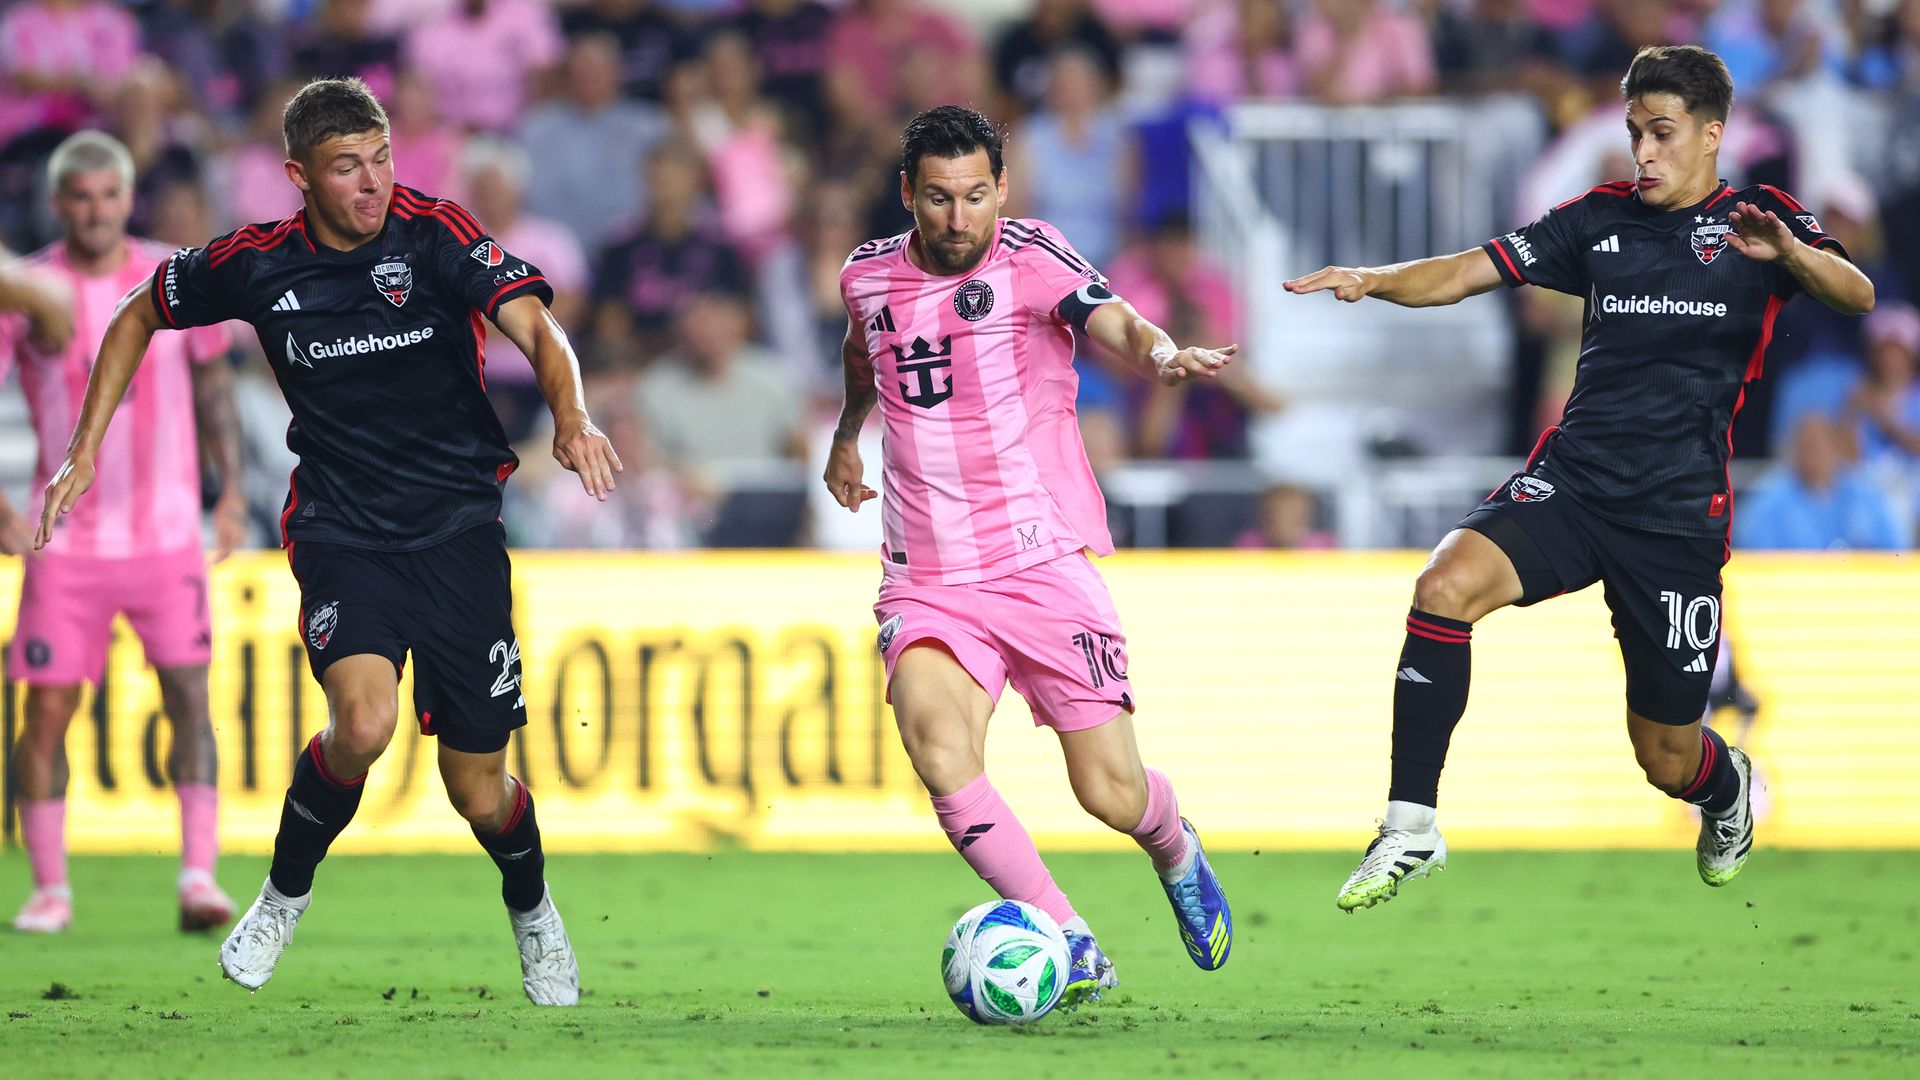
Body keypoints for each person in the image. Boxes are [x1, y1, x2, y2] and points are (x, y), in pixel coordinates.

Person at [34, 78, 622, 1005]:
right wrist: (84, 447)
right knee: (363, 723)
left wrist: (573, 417)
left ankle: (532, 908)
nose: (373, 182)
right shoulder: (258, 262)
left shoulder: (435, 234)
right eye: (348, 166)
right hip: (343, 529)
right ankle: (280, 898)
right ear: (299, 176)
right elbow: (137, 310)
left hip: (460, 530)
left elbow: (539, 330)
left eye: (381, 158)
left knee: (479, 792)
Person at [1284, 45, 1874, 910]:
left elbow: (1856, 294)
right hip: (1576, 484)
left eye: (1662, 133)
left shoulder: (1762, 219)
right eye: (1635, 133)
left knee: (1665, 756)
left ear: (1712, 134)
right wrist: (1372, 280)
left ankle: (1727, 788)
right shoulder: (1598, 219)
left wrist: (1791, 254)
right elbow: (1467, 270)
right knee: (1444, 585)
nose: (1643, 152)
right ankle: (1410, 825)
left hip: (1675, 516)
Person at [825, 106, 1236, 1003]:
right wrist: (849, 436)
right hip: (927, 578)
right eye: (940, 198)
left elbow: (1113, 319)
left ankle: (1173, 845)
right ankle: (1073, 940)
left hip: (1040, 561)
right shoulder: (866, 275)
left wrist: (1162, 354)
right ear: (908, 193)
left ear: (1002, 189)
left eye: (976, 196)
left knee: (1110, 793)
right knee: (940, 753)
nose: (959, 217)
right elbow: (863, 356)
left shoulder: (1031, 255)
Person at [2, 132, 241, 936]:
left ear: (129, 199)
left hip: (167, 533)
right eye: (81, 197)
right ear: (58, 203)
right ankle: (50, 889)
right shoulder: (32, 291)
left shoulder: (176, 275)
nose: (96, 210)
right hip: (65, 542)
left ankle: (199, 877)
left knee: (190, 699)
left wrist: (232, 492)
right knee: (46, 713)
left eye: (110, 195)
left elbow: (214, 385)